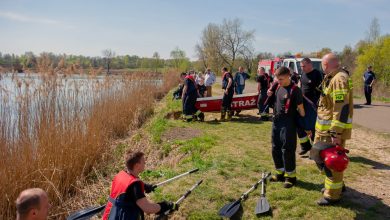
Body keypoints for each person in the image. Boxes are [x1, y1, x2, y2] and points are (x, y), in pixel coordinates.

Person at [312, 53, 353, 206]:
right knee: (322, 158)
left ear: (327, 64)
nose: (322, 68)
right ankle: (337, 185)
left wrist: (336, 132)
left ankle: (332, 195)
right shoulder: (333, 77)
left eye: (323, 65)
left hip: (331, 131)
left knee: (332, 162)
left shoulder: (338, 79)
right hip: (325, 130)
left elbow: (341, 108)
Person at [102, 151, 178, 220]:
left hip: (110, 215)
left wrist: (145, 186)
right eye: (143, 162)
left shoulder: (121, 175)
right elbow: (147, 208)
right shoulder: (135, 185)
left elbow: (128, 187)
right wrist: (164, 205)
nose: (145, 163)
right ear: (137, 165)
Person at [269, 67, 305, 188]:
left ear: (288, 76)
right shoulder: (278, 87)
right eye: (277, 79)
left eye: (281, 79)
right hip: (277, 122)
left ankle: (290, 177)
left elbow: (301, 109)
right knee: (275, 148)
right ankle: (280, 173)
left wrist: (304, 124)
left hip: (288, 123)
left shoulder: (296, 90)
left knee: (287, 150)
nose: (278, 81)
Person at [297, 58, 323, 155]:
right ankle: (305, 146)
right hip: (302, 103)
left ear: (309, 64)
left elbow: (323, 90)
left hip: (312, 105)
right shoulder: (303, 74)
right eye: (301, 66)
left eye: (303, 66)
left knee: (312, 127)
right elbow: (301, 84)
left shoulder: (317, 74)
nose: (302, 68)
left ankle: (314, 151)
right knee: (299, 124)